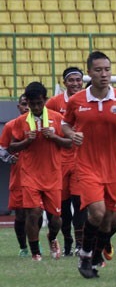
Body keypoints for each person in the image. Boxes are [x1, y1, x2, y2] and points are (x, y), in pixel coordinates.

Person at [62, 51, 116, 278]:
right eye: (98, 70)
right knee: (97, 213)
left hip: (114, 168)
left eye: (107, 69)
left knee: (111, 220)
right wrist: (71, 135)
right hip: (87, 166)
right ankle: (85, 255)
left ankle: (96, 255)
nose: (104, 74)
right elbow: (66, 124)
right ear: (89, 73)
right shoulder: (77, 100)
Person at [9, 82, 72, 261]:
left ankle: (52, 238)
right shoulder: (21, 122)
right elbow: (12, 146)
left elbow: (70, 143)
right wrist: (25, 142)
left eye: (39, 103)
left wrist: (54, 137)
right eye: (32, 104)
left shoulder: (57, 118)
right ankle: (35, 251)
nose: (36, 107)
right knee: (34, 212)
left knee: (56, 219)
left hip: (52, 174)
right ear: (27, 102)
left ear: (45, 100)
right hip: (29, 174)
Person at [46, 66, 85, 256]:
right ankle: (68, 240)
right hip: (60, 160)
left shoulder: (87, 100)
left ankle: (79, 244)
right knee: (63, 206)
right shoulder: (54, 102)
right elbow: (45, 123)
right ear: (64, 83)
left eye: (78, 80)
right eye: (72, 80)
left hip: (81, 159)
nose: (76, 83)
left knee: (80, 203)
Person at [0, 94, 30, 257]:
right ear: (18, 107)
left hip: (39, 175)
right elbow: (2, 148)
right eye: (24, 104)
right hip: (18, 176)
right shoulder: (11, 126)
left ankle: (35, 242)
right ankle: (23, 246)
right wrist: (10, 158)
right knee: (20, 214)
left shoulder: (42, 125)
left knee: (36, 211)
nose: (27, 107)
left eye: (29, 104)